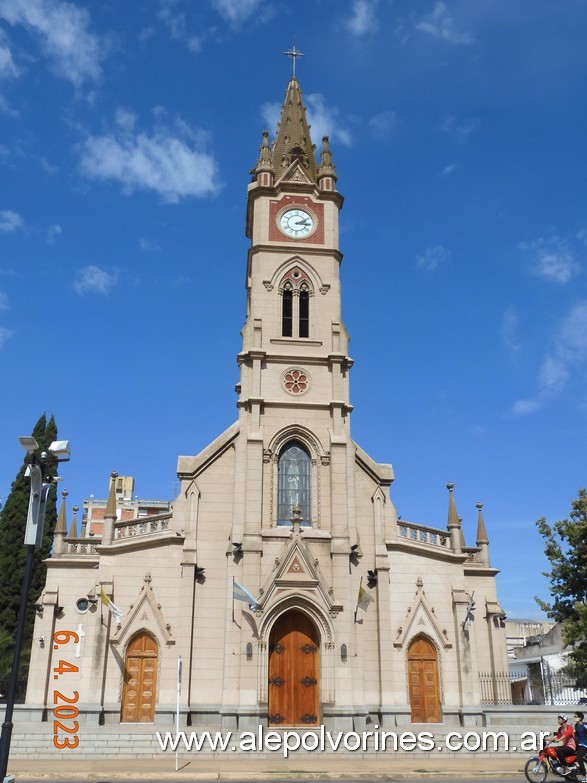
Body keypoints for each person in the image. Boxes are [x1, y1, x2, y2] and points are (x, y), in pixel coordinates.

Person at [575, 711, 587, 783]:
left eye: (575, 717)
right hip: (578, 744)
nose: (574, 718)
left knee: (579, 758)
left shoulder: (585, 725)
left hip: (584, 744)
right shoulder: (576, 725)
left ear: (580, 718)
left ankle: (584, 775)